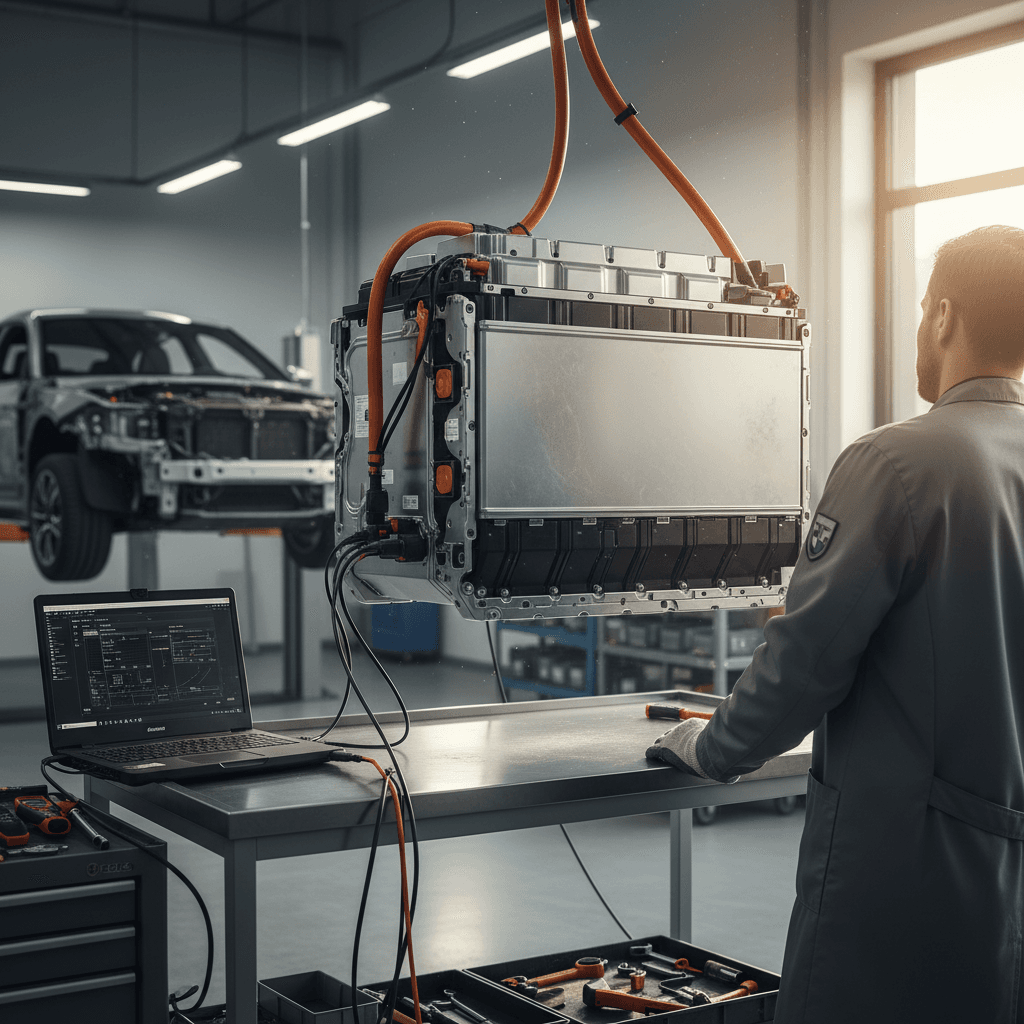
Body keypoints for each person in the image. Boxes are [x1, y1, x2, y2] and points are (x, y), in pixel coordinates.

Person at [646, 225, 1024, 1024]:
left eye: (924, 309)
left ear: (946, 316)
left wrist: (707, 746)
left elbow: (805, 664)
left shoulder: (897, 464)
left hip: (900, 870)